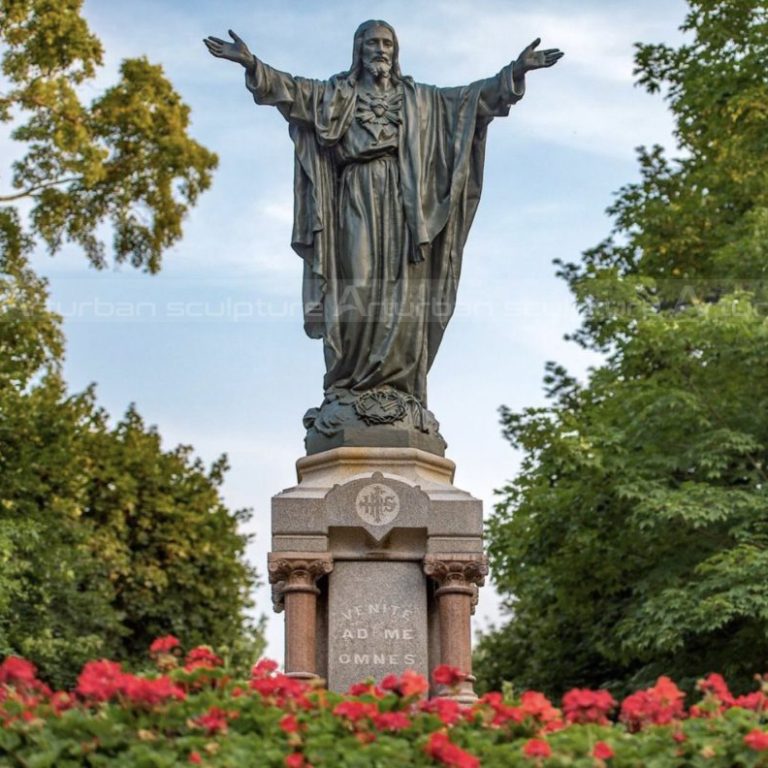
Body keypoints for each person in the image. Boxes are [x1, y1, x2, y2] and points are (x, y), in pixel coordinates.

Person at [205, 20, 562, 454]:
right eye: (372, 43)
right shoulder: (336, 94)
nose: (381, 49)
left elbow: (471, 102)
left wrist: (514, 73)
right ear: (358, 50)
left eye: (387, 43)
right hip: (355, 196)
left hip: (405, 206)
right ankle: (350, 386)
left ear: (396, 50)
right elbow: (292, 93)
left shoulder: (421, 101)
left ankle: (397, 391)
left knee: (404, 295)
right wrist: (251, 63)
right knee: (356, 284)